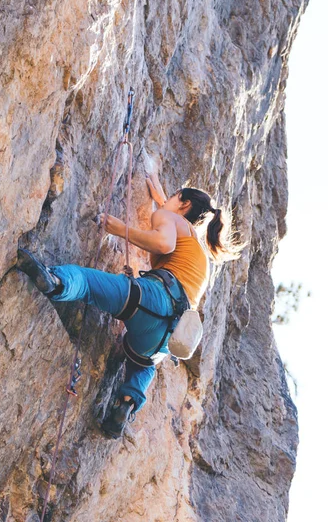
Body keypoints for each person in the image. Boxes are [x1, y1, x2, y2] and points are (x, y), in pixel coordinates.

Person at [16, 173, 242, 438]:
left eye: (171, 197)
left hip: (153, 298)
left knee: (88, 283)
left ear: (182, 204)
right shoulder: (198, 252)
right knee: (143, 363)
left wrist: (119, 228)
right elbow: (174, 229)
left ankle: (55, 281)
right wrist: (162, 198)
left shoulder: (171, 219)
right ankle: (128, 401)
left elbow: (163, 241)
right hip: (168, 336)